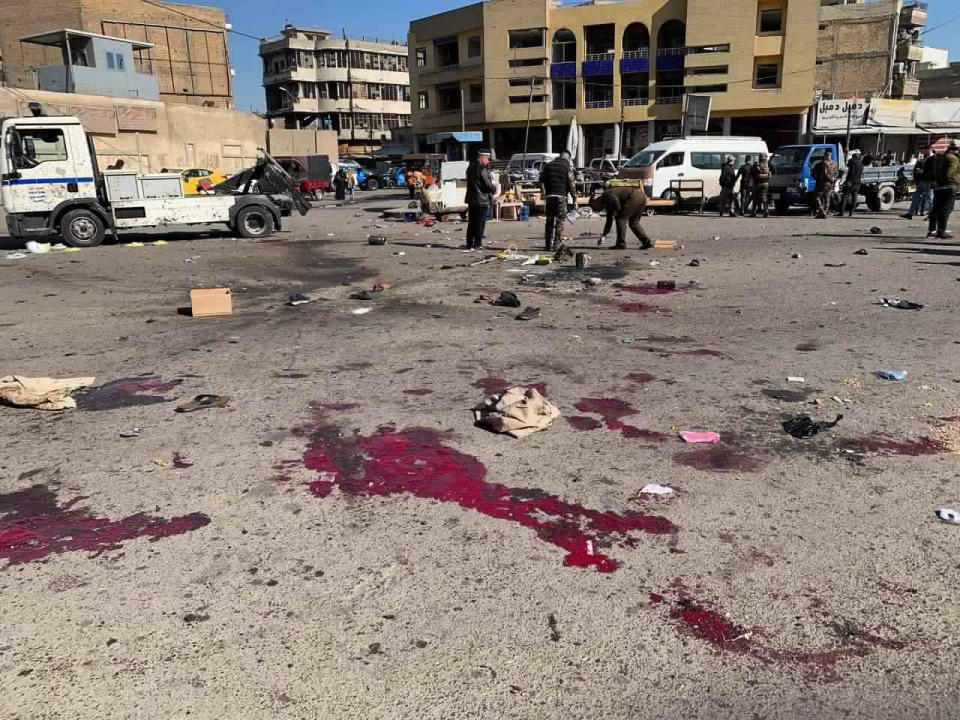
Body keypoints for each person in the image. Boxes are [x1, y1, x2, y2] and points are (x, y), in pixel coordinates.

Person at [589, 185, 652, 250]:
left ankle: (621, 244)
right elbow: (609, 220)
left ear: (595, 201)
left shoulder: (606, 195)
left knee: (620, 220)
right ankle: (647, 243)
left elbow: (616, 202)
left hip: (633, 197)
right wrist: (603, 235)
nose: (599, 210)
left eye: (596, 208)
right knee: (634, 223)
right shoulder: (607, 202)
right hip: (641, 197)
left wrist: (618, 213)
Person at [540, 151, 578, 251]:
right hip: (561, 197)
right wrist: (574, 199)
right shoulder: (567, 167)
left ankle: (548, 245)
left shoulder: (548, 166)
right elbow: (572, 184)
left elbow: (541, 181)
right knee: (560, 221)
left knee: (549, 221)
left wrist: (543, 194)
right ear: (568, 158)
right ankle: (557, 244)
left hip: (549, 197)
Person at [465, 148, 495, 250]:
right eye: (488, 159)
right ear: (483, 157)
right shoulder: (482, 169)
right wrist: (493, 188)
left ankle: (469, 244)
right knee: (480, 222)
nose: (489, 161)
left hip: (471, 199)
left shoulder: (470, 168)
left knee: (472, 222)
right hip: (481, 199)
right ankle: (477, 244)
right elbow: (487, 184)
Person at [930, 142, 959, 240]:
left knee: (937, 208)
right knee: (946, 209)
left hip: (939, 185)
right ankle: (942, 230)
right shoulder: (953, 159)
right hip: (949, 186)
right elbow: (950, 173)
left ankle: (933, 230)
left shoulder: (941, 157)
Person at [902, 149, 932, 220]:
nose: (923, 152)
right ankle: (910, 213)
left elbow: (928, 171)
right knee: (916, 196)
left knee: (929, 199)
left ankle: (931, 215)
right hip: (921, 181)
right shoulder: (921, 160)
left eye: (925, 151)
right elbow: (915, 171)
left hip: (927, 182)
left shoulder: (930, 160)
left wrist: (920, 172)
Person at [812, 150, 838, 219]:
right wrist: (833, 179)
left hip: (824, 182)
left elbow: (825, 173)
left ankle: (822, 211)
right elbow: (836, 173)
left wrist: (827, 179)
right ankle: (824, 213)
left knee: (816, 196)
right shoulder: (834, 163)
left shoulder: (825, 163)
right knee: (827, 198)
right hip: (831, 183)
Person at [837, 150, 863, 218]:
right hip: (858, 183)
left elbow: (851, 172)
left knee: (845, 197)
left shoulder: (852, 162)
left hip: (851, 182)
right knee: (854, 199)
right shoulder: (861, 163)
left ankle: (841, 212)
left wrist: (847, 181)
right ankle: (851, 213)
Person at [751, 153, 771, 218]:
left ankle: (753, 212)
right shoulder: (768, 165)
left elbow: (752, 174)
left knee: (755, 198)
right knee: (764, 197)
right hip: (766, 184)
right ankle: (766, 211)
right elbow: (772, 173)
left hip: (757, 184)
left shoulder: (756, 165)